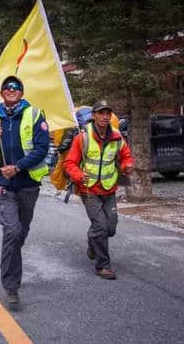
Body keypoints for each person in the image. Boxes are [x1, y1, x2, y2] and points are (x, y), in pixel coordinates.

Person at [0, 75, 50, 310]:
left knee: (21, 232)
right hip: (3, 187)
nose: (11, 90)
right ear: (2, 93)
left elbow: (42, 148)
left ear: (21, 92)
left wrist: (18, 167)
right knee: (12, 230)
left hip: (28, 184)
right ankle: (11, 286)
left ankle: (11, 259)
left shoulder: (35, 115)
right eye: (7, 87)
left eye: (15, 87)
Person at [63, 100, 134, 280]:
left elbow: (126, 156)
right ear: (93, 115)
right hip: (89, 190)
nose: (105, 117)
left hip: (109, 188)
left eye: (107, 113)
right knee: (101, 227)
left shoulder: (117, 137)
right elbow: (69, 163)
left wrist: (127, 166)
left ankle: (93, 241)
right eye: (101, 113)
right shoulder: (83, 137)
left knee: (110, 228)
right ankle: (103, 266)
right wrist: (79, 175)